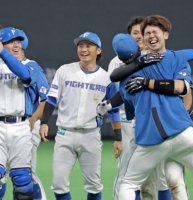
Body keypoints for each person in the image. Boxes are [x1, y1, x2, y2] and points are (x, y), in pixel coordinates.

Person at [111, 15, 193, 200]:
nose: (150, 36)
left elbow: (181, 88)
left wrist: (147, 82)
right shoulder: (174, 57)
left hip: (155, 139)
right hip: (180, 134)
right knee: (174, 182)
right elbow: (191, 58)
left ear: (166, 34)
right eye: (147, 33)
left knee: (130, 184)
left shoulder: (128, 76)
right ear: (140, 42)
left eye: (154, 32)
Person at [39, 32, 122, 200]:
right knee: (58, 183)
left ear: (98, 50)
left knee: (94, 185)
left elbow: (113, 109)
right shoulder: (65, 70)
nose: (83, 49)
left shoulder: (106, 78)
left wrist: (118, 138)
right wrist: (44, 122)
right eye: (80, 46)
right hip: (64, 134)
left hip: (91, 135)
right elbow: (52, 98)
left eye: (88, 46)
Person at [108, 16, 169, 200]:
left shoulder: (157, 57)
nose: (139, 37)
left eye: (141, 33)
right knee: (127, 172)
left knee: (161, 175)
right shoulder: (117, 61)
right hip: (127, 121)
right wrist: (118, 137)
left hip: (153, 121)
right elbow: (113, 98)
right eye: (134, 33)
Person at [0, 27, 49, 200]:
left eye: (18, 41)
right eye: (11, 42)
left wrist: (1, 51)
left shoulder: (29, 66)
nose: (16, 45)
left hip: (21, 125)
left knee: (23, 181)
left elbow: (23, 74)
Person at [19, 30, 48, 200]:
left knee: (27, 173)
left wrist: (33, 120)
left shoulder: (32, 66)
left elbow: (45, 98)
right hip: (6, 127)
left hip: (27, 123)